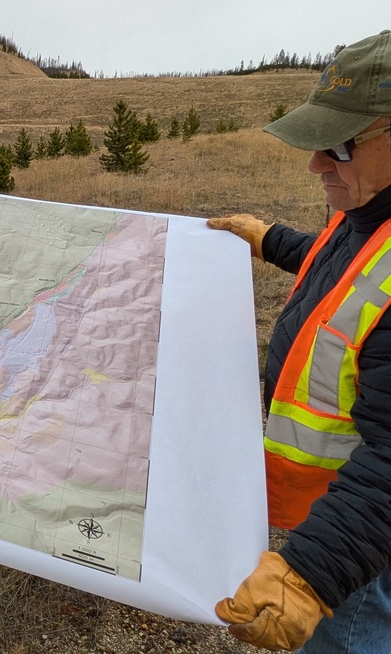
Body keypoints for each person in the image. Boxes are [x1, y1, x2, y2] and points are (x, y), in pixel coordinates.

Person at [209, 30, 391, 652]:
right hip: (349, 515)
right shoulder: (371, 209)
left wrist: (312, 576)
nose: (316, 163)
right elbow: (344, 262)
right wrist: (267, 239)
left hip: (368, 546)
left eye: (338, 144)